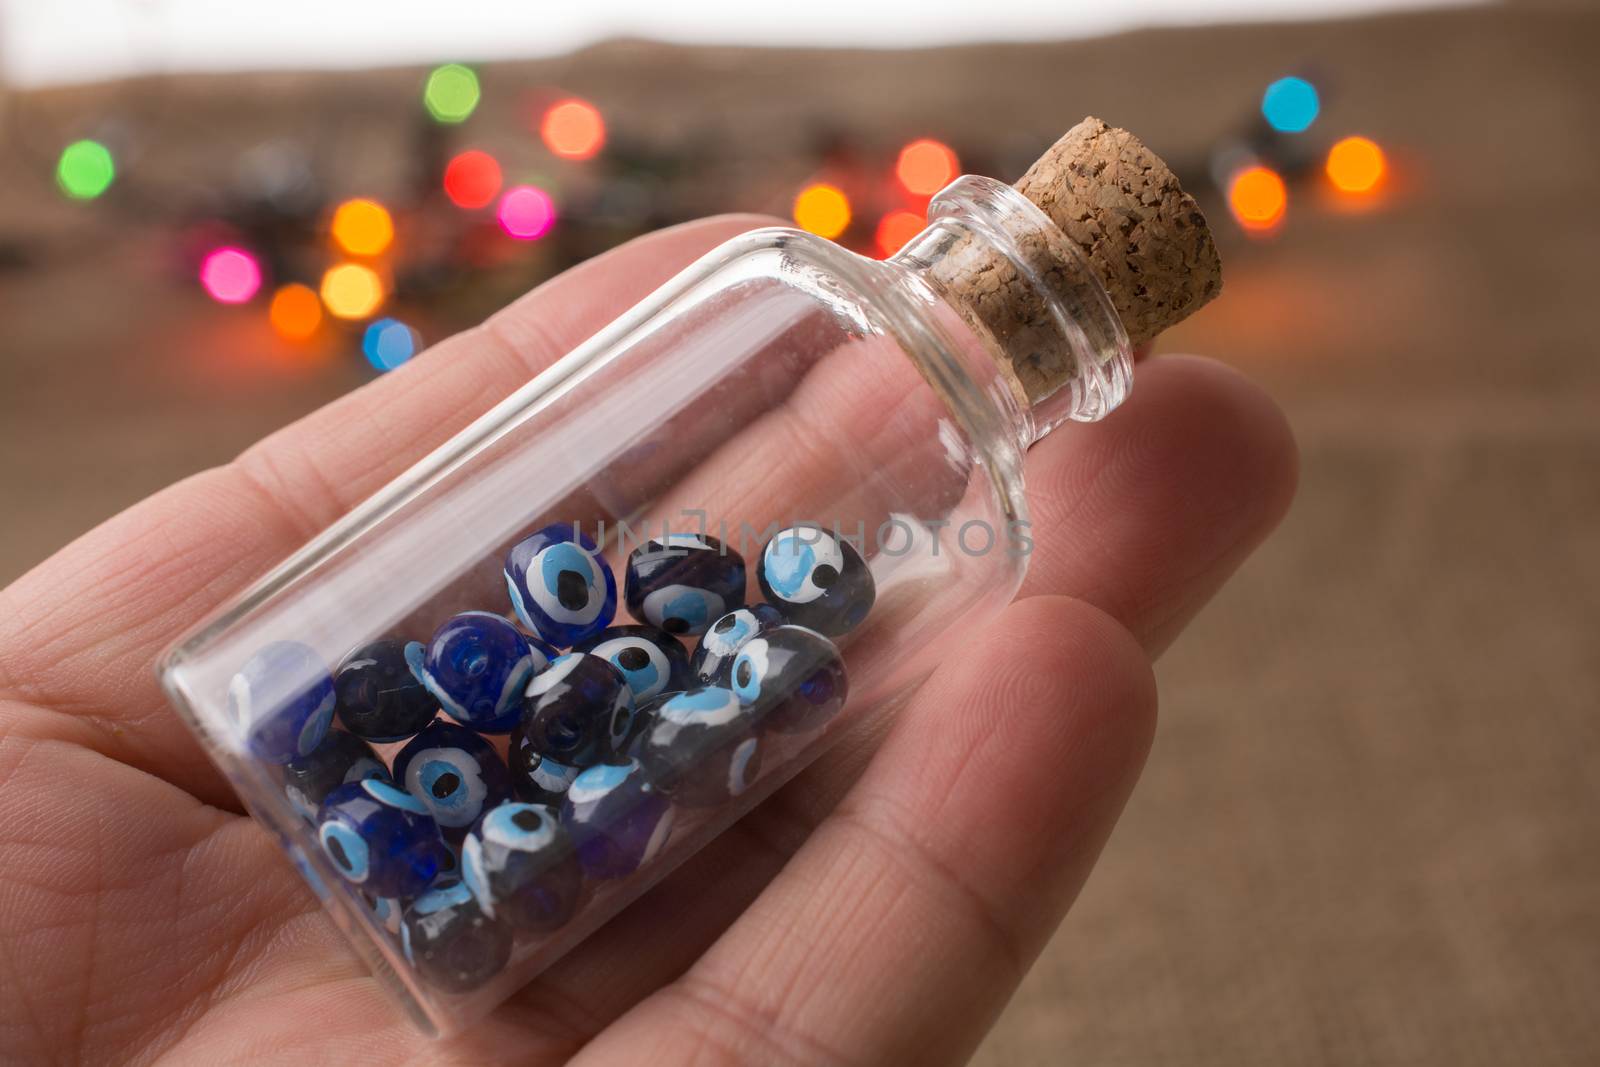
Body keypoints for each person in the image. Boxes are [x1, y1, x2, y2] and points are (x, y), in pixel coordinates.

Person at [0, 215, 1296, 1064]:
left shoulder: (973, 527)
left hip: (489, 883)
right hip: (409, 819)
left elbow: (692, 737)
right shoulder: (780, 285)